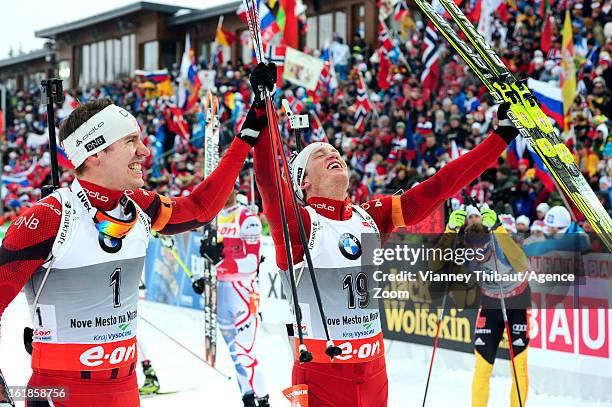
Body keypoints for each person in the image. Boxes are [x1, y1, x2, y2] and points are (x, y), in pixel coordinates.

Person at [247, 63, 522, 406]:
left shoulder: (370, 217)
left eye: (335, 152)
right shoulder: (300, 223)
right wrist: (263, 107)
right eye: (321, 155)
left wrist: (501, 137)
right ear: (303, 181)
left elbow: (438, 188)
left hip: (375, 372)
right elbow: (270, 182)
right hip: (323, 375)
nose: (333, 154)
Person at [0, 98, 259, 406]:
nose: (144, 151)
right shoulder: (49, 217)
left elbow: (200, 209)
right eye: (131, 141)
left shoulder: (138, 204)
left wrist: (248, 135)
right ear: (96, 152)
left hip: (126, 390)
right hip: (62, 393)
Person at [197, 184, 270, 407]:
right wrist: (204, 277)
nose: (222, 192)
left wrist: (220, 262)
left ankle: (263, 398)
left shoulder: (247, 218)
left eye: (227, 188)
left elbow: (251, 262)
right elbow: (210, 256)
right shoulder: (214, 219)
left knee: (245, 350)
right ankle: (247, 395)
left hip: (243, 290)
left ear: (234, 190)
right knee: (233, 351)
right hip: (221, 291)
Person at [461, 207, 531, 407]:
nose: (477, 255)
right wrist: (449, 230)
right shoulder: (468, 251)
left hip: (517, 304)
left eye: (481, 251)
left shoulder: (503, 245)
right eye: (472, 251)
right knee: (482, 366)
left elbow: (520, 262)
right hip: (491, 304)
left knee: (519, 366)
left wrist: (498, 228)